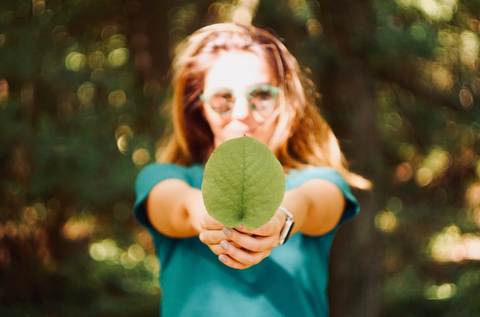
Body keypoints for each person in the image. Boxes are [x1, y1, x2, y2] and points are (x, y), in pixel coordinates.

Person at [134, 23, 370, 317]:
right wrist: (207, 216)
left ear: (285, 100)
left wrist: (280, 219)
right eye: (223, 98)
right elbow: (178, 207)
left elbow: (311, 204)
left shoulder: (319, 180)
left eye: (261, 95)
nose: (242, 113)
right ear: (200, 106)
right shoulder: (162, 177)